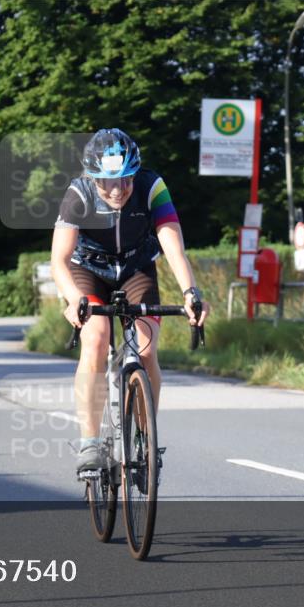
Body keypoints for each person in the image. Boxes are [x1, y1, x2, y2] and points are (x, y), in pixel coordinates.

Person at [49, 128, 210, 471]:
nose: (117, 189)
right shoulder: (78, 193)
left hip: (136, 268)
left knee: (147, 348)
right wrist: (74, 298)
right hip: (88, 270)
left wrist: (190, 291)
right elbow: (59, 260)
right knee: (95, 338)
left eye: (125, 180)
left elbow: (173, 246)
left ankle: (144, 435)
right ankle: (90, 443)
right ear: (93, 179)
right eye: (107, 182)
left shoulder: (153, 187)